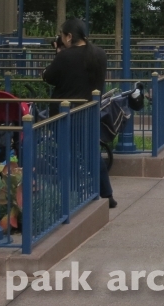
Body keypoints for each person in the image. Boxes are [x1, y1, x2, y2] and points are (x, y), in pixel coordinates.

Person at [42, 18, 115, 207]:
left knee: (69, 154)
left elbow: (48, 77)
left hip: (64, 113)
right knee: (92, 152)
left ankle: (73, 195)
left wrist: (58, 53)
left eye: (62, 35)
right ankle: (107, 194)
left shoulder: (64, 57)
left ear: (69, 36)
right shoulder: (99, 54)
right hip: (88, 111)